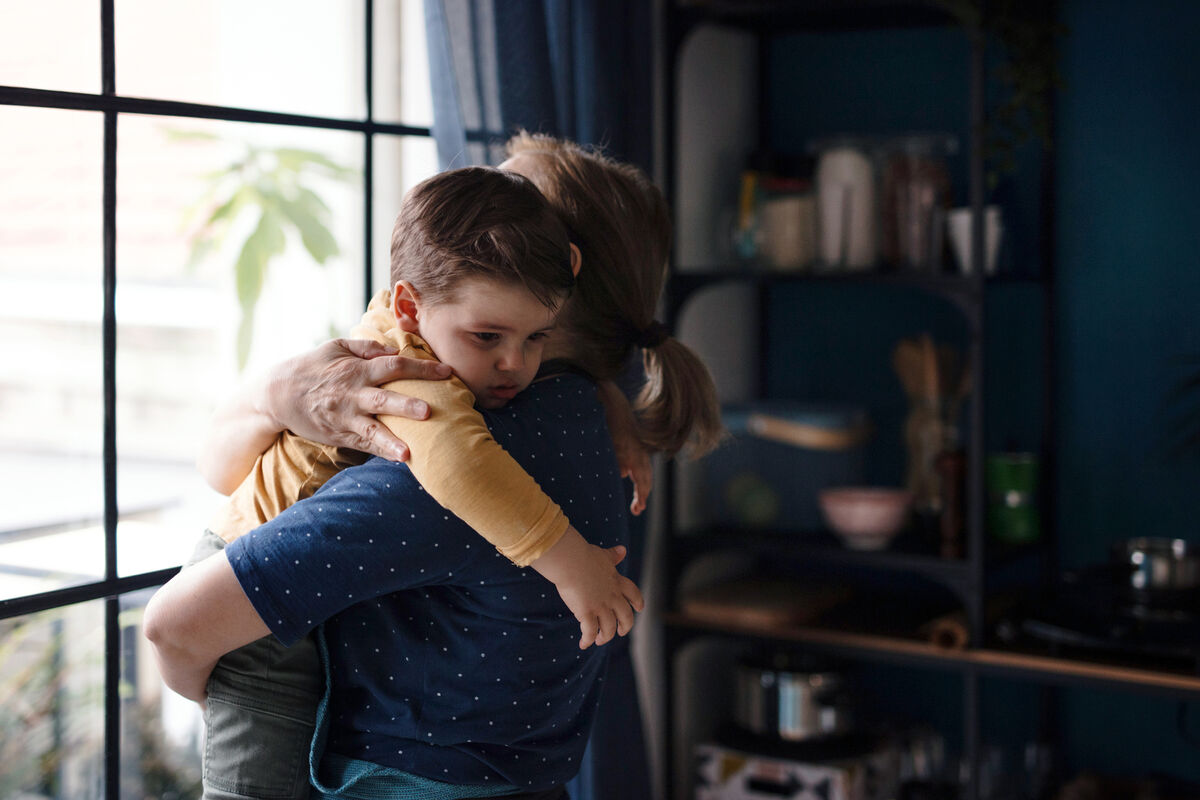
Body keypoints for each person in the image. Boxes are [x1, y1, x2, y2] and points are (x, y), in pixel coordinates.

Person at [172, 134, 724, 797]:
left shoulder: (455, 457)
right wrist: (274, 394)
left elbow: (174, 625)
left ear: (559, 277)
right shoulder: (573, 417)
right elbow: (223, 468)